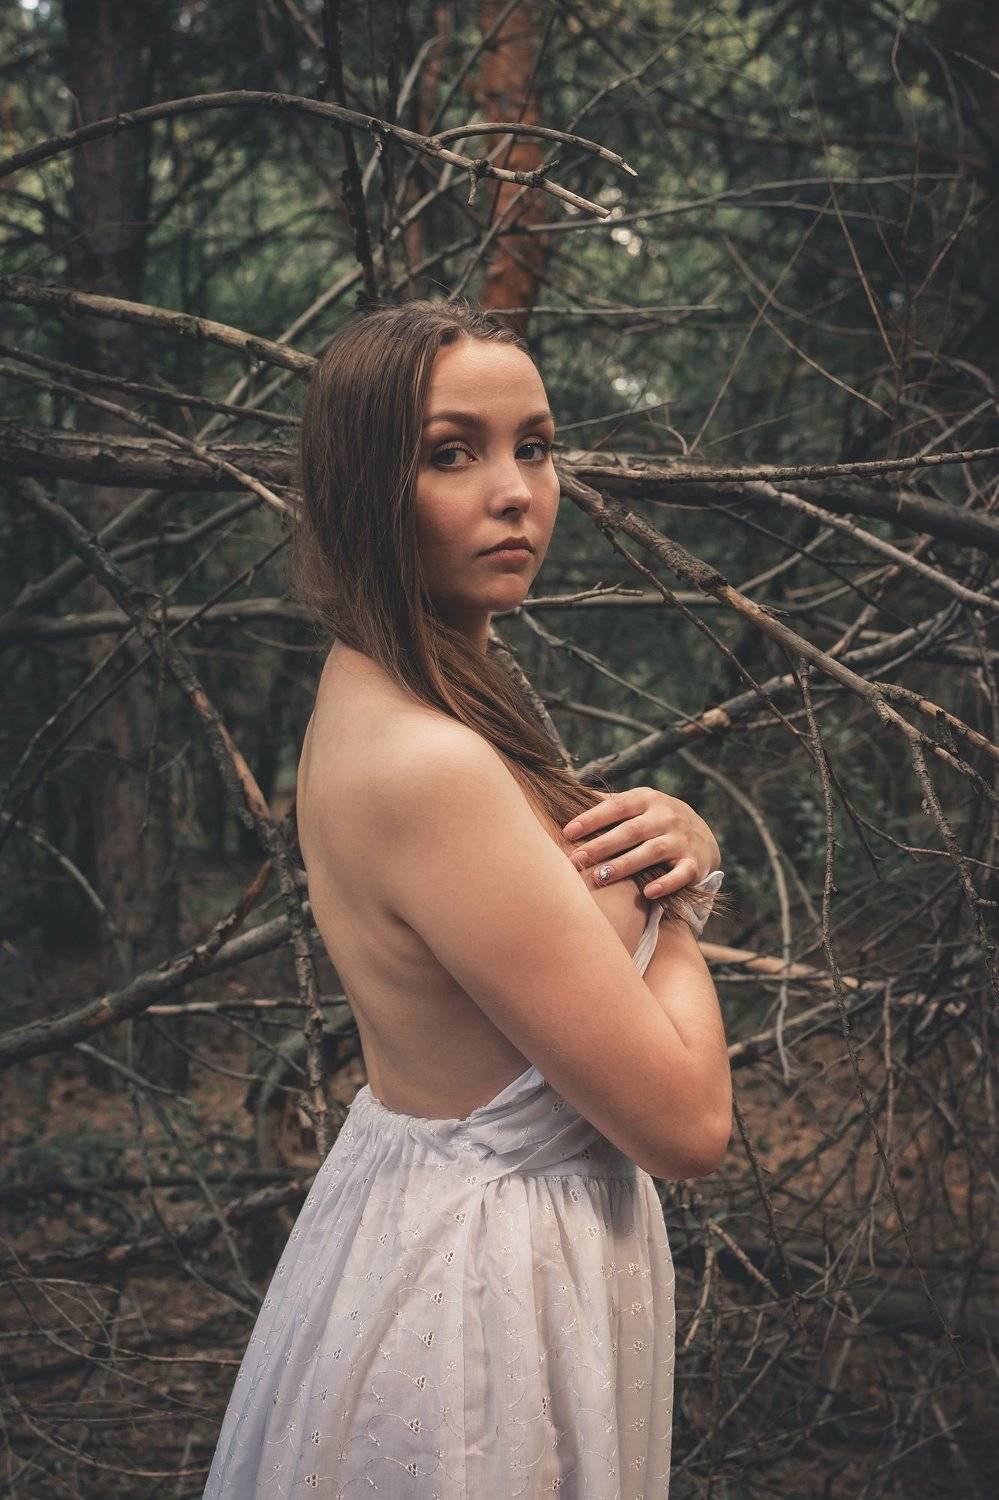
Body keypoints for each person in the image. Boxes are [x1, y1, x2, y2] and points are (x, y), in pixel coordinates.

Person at [202, 298, 732, 1498]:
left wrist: (668, 854)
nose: (516, 494)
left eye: (534, 447)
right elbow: (688, 1126)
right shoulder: (429, 762)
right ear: (365, 488)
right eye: (452, 454)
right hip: (483, 1294)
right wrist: (679, 896)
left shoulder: (402, 693)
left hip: (445, 1227)